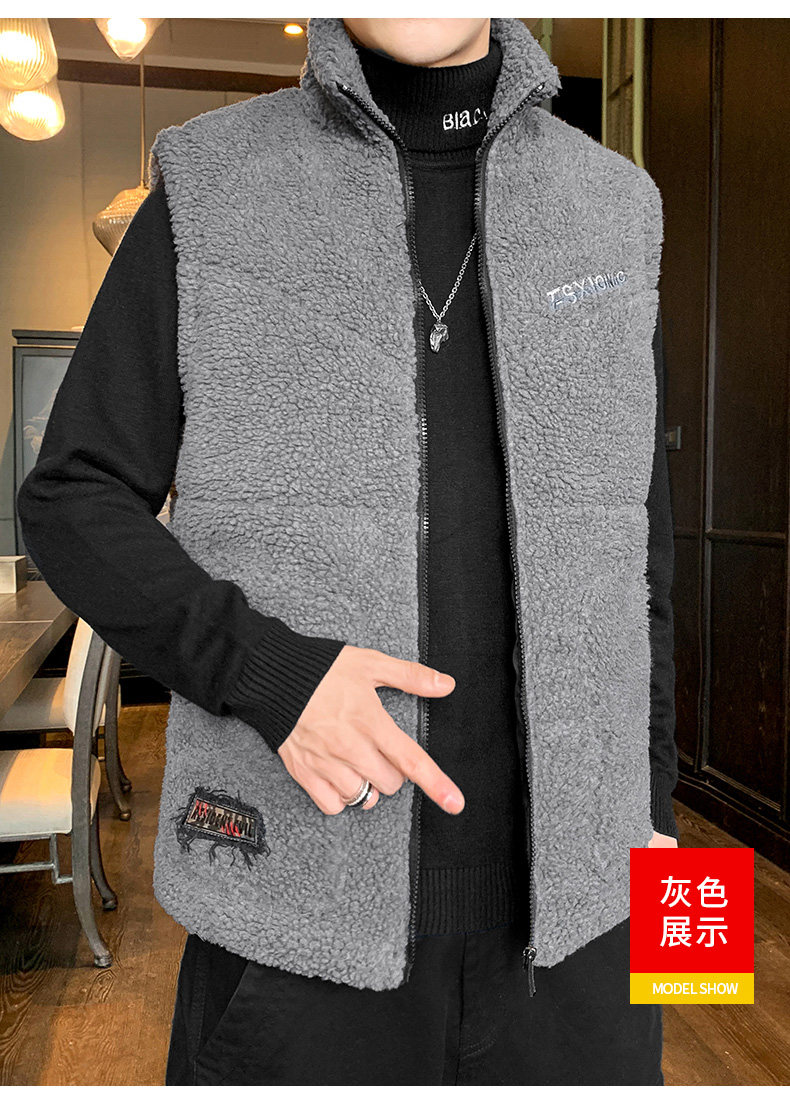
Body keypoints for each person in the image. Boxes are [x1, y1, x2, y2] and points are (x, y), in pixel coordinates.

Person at [17, 17, 679, 1086]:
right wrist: (267, 673)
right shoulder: (211, 180)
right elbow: (69, 497)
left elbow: (642, 570)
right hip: (293, 939)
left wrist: (671, 899)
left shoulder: (619, 207)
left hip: (593, 940)